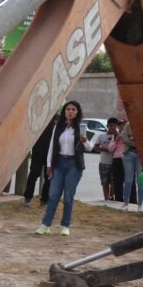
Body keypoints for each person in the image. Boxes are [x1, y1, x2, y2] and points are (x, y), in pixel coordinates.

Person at [35, 100, 93, 236]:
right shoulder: (58, 127)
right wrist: (49, 165)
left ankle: (65, 225)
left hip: (74, 164)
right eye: (68, 109)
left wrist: (85, 141)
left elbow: (90, 148)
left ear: (77, 112)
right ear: (64, 112)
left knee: (68, 196)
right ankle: (45, 224)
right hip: (59, 162)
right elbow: (52, 147)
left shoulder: (80, 127)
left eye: (73, 109)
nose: (70, 112)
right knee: (54, 195)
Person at [23, 114, 56, 207]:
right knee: (33, 174)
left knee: (49, 176)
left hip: (50, 152)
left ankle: (45, 200)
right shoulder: (38, 118)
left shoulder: (55, 119)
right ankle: (28, 198)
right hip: (38, 150)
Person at [91, 117, 121, 201]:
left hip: (115, 162)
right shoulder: (101, 136)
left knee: (114, 182)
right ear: (107, 126)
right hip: (104, 163)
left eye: (114, 126)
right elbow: (96, 147)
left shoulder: (119, 136)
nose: (112, 127)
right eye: (111, 125)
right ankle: (106, 198)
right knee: (105, 182)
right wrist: (105, 150)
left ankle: (111, 197)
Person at [119, 119, 143, 212]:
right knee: (128, 180)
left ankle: (140, 205)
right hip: (129, 153)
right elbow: (125, 139)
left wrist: (132, 139)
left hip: (140, 155)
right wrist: (135, 142)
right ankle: (125, 203)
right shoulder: (127, 125)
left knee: (140, 181)